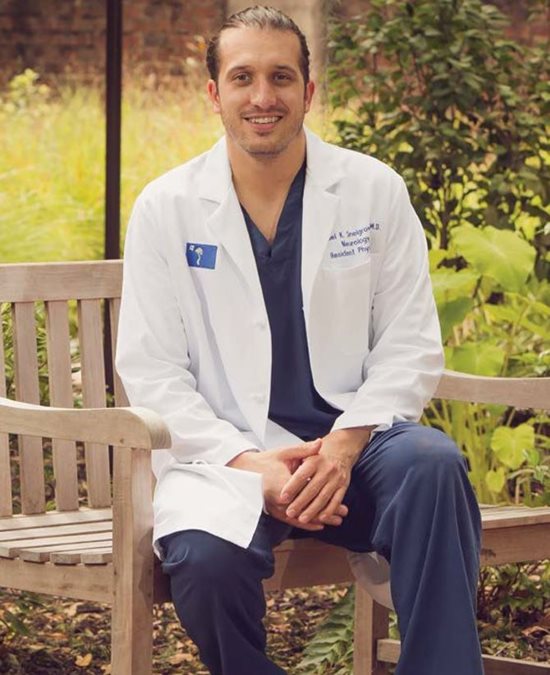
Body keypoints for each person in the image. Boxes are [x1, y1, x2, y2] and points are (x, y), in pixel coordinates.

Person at [116, 5, 483, 674]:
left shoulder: (372, 191)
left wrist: (344, 445)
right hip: (226, 460)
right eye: (243, 77)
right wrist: (252, 464)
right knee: (204, 563)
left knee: (431, 464)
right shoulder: (166, 208)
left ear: (309, 92)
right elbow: (153, 369)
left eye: (281, 77)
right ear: (213, 94)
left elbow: (409, 341)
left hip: (356, 448)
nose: (263, 97)